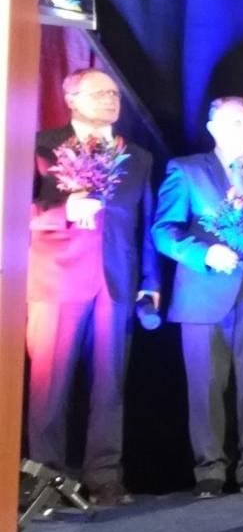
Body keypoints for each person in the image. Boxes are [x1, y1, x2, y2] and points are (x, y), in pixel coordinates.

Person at [26, 67, 160, 506]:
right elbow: (14, 209)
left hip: (116, 282)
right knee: (49, 389)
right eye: (99, 93)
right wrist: (64, 209)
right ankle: (45, 482)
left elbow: (144, 222)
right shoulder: (39, 145)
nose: (110, 100)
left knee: (110, 387)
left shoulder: (136, 155)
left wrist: (150, 281)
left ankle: (104, 477)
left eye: (114, 94)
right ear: (71, 98)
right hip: (56, 281)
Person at [153, 97, 243, 496]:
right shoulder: (186, 169)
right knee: (206, 385)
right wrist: (205, 254)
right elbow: (164, 231)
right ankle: (209, 472)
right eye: (237, 122)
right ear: (213, 128)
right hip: (204, 292)